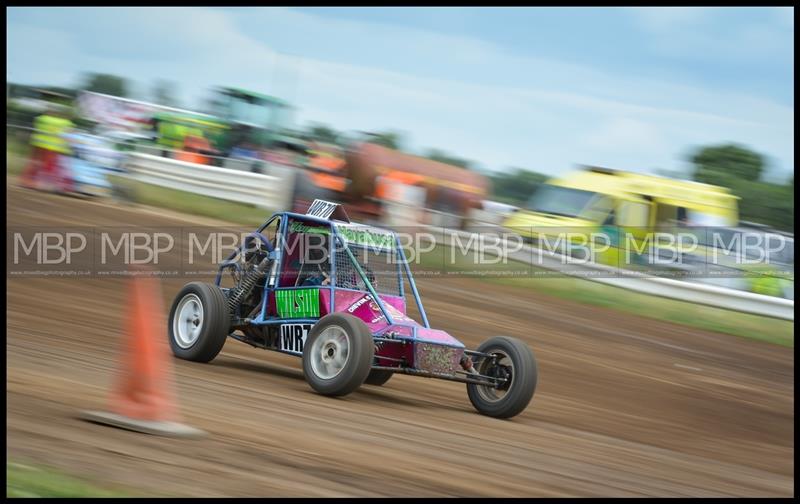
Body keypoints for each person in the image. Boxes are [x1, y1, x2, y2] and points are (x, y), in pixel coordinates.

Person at [20, 106, 74, 192]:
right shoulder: (64, 122)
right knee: (48, 166)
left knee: (33, 163)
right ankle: (44, 184)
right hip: (51, 146)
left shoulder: (40, 119)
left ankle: (26, 180)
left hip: (36, 143)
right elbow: (69, 134)